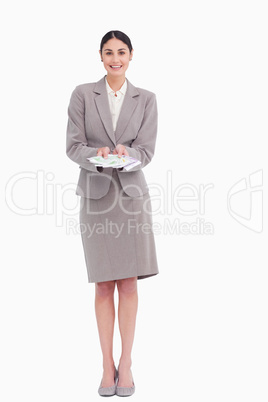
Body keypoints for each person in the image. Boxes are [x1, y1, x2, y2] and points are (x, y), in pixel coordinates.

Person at [66, 30, 159, 397]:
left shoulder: (147, 99)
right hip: (96, 195)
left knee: (129, 283)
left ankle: (128, 363)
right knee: (104, 283)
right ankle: (107, 364)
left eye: (122, 52)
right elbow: (72, 146)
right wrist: (97, 154)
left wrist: (127, 152)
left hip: (132, 198)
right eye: (109, 52)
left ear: (132, 55)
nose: (115, 58)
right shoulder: (82, 94)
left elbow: (147, 151)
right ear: (100, 56)